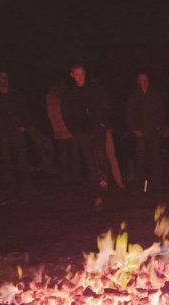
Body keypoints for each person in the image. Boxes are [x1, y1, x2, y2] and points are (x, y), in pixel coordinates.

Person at [61, 64, 109, 210]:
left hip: (97, 130)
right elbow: (66, 115)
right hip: (82, 133)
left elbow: (106, 105)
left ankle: (104, 176)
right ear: (72, 75)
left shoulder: (95, 89)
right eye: (76, 74)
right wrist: (75, 131)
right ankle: (97, 196)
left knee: (101, 156)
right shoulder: (69, 94)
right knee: (89, 163)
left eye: (81, 74)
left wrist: (103, 123)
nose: (80, 77)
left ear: (85, 73)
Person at [0, 71, 32, 194]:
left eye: (6, 78)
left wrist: (24, 125)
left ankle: (25, 185)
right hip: (3, 134)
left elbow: (25, 110)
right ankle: (9, 186)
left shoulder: (16, 94)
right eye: (2, 78)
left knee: (21, 159)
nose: (4, 80)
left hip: (17, 131)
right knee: (5, 160)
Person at [125, 71, 165, 189]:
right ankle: (141, 183)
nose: (143, 82)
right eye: (141, 80)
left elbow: (161, 111)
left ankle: (157, 183)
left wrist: (158, 126)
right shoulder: (134, 96)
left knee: (155, 157)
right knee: (140, 157)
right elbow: (129, 114)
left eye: (145, 79)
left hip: (153, 131)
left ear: (148, 81)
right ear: (138, 81)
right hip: (140, 132)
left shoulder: (155, 95)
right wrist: (134, 129)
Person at [46, 77, 79, 185]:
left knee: (74, 154)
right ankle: (66, 178)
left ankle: (75, 177)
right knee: (64, 155)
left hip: (71, 129)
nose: (63, 86)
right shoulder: (51, 96)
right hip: (61, 130)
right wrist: (56, 128)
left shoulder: (68, 94)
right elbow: (51, 114)